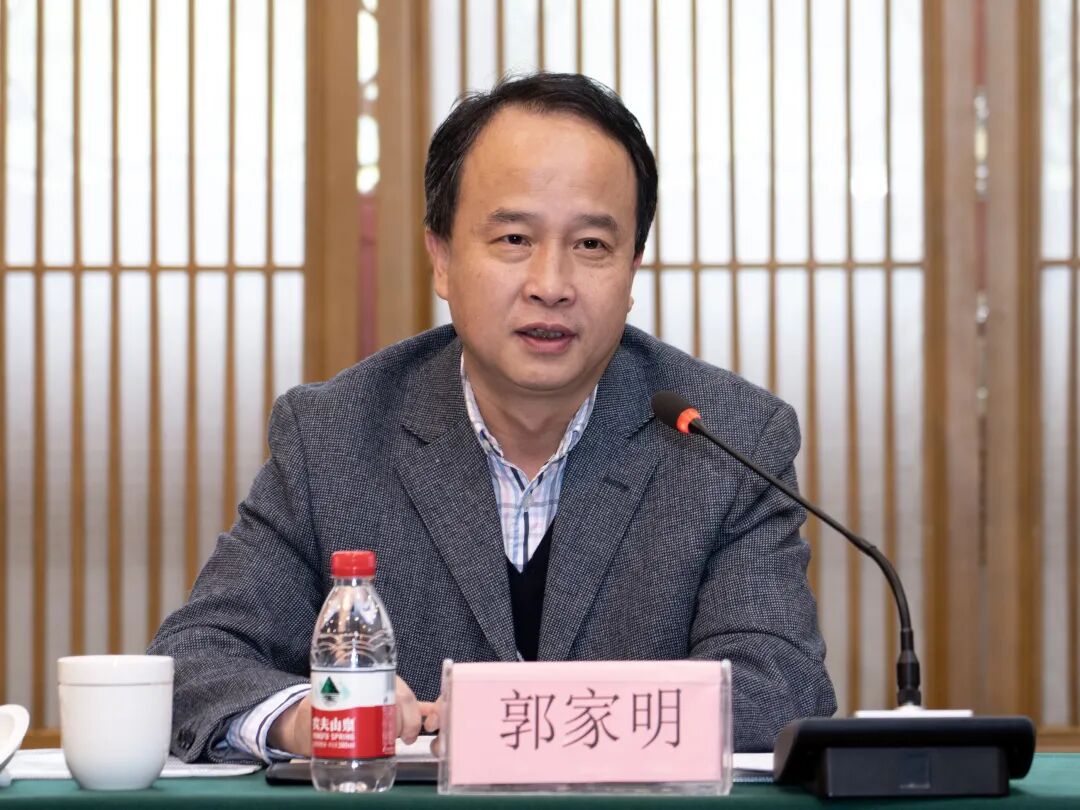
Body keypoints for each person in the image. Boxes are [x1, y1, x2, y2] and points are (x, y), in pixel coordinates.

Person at [149, 72, 836, 763]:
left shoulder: (726, 439)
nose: (551, 285)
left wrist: (513, 720)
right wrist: (307, 717)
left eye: (591, 245)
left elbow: (778, 692)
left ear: (632, 269)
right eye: (513, 238)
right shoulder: (335, 437)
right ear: (442, 258)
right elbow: (197, 659)